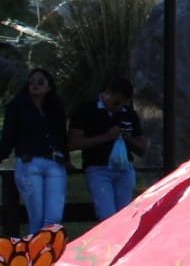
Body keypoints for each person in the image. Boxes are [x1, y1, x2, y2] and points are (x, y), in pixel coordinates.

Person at [0, 68, 69, 233]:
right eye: (31, 81)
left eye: (40, 82)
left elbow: (61, 136)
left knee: (53, 218)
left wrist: (66, 159)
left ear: (49, 87)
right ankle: (37, 256)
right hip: (29, 164)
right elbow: (8, 136)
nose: (35, 85)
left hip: (54, 163)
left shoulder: (55, 107)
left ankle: (50, 253)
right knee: (36, 218)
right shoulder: (17, 105)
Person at [70, 76, 146, 220]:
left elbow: (142, 148)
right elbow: (74, 143)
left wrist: (126, 137)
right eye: (116, 102)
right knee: (107, 216)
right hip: (98, 169)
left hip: (125, 170)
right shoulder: (87, 110)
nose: (118, 107)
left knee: (124, 217)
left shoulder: (128, 114)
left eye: (123, 104)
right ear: (108, 93)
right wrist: (106, 136)